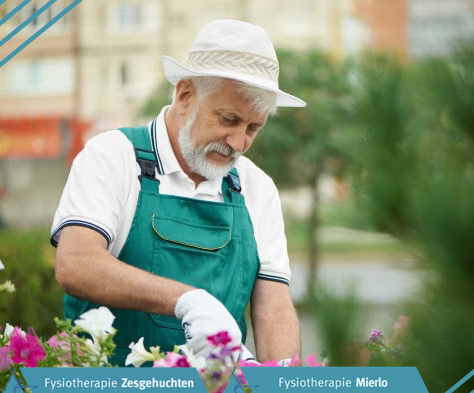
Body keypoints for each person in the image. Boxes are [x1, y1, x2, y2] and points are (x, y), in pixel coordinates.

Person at [51, 19, 305, 366]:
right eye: (229, 119)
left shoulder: (257, 189)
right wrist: (186, 301)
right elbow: (76, 264)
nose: (238, 143)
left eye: (252, 128)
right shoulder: (112, 156)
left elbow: (274, 307)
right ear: (185, 95)